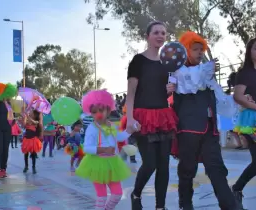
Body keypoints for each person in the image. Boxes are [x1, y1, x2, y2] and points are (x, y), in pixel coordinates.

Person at [172, 31, 243, 210]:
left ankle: (230, 206)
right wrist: (206, 70)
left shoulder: (204, 74)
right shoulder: (178, 73)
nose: (199, 53)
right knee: (187, 170)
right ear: (185, 51)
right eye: (195, 49)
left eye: (201, 50)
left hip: (209, 130)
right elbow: (190, 80)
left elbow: (215, 95)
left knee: (217, 168)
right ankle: (185, 205)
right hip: (188, 130)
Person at [125, 21, 178, 210]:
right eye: (156, 32)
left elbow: (166, 94)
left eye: (163, 33)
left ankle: (160, 207)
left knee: (164, 165)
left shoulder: (168, 63)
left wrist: (170, 90)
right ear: (147, 36)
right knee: (150, 163)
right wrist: (130, 119)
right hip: (142, 117)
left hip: (163, 116)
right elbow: (131, 92)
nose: (160, 36)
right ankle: (136, 193)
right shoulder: (138, 60)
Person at [76, 89, 137, 210]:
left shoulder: (111, 125)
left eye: (101, 110)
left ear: (108, 110)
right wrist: (102, 150)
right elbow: (87, 148)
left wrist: (131, 130)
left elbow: (119, 137)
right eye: (94, 112)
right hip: (96, 164)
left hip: (112, 164)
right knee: (102, 197)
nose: (98, 114)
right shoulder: (92, 129)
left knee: (117, 194)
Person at [231, 38, 256, 208]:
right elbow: (238, 96)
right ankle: (237, 188)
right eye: (255, 48)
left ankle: (237, 188)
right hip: (251, 119)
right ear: (249, 51)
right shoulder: (245, 72)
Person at [21, 109, 43, 174]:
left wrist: (26, 115)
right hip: (26, 139)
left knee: (33, 154)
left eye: (31, 112)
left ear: (34, 115)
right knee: (26, 154)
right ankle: (26, 166)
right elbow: (24, 125)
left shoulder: (36, 122)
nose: (30, 113)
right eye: (30, 112)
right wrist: (24, 117)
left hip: (33, 139)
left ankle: (33, 167)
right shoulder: (28, 121)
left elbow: (33, 121)